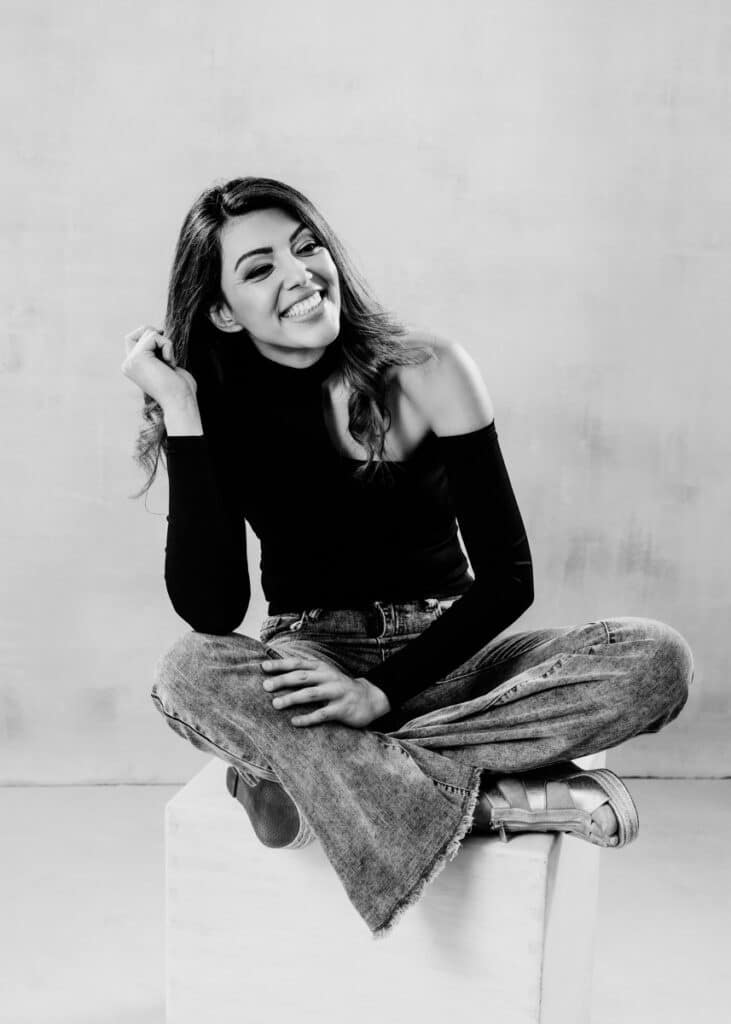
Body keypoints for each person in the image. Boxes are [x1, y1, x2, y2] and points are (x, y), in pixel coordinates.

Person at [121, 176, 694, 938]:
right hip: (312, 661)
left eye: (306, 246)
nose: (299, 274)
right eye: (259, 269)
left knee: (655, 660)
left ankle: (321, 773)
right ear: (222, 310)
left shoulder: (428, 368)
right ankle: (477, 798)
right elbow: (212, 609)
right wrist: (182, 410)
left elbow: (508, 579)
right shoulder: (214, 406)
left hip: (451, 656)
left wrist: (378, 696)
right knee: (187, 671)